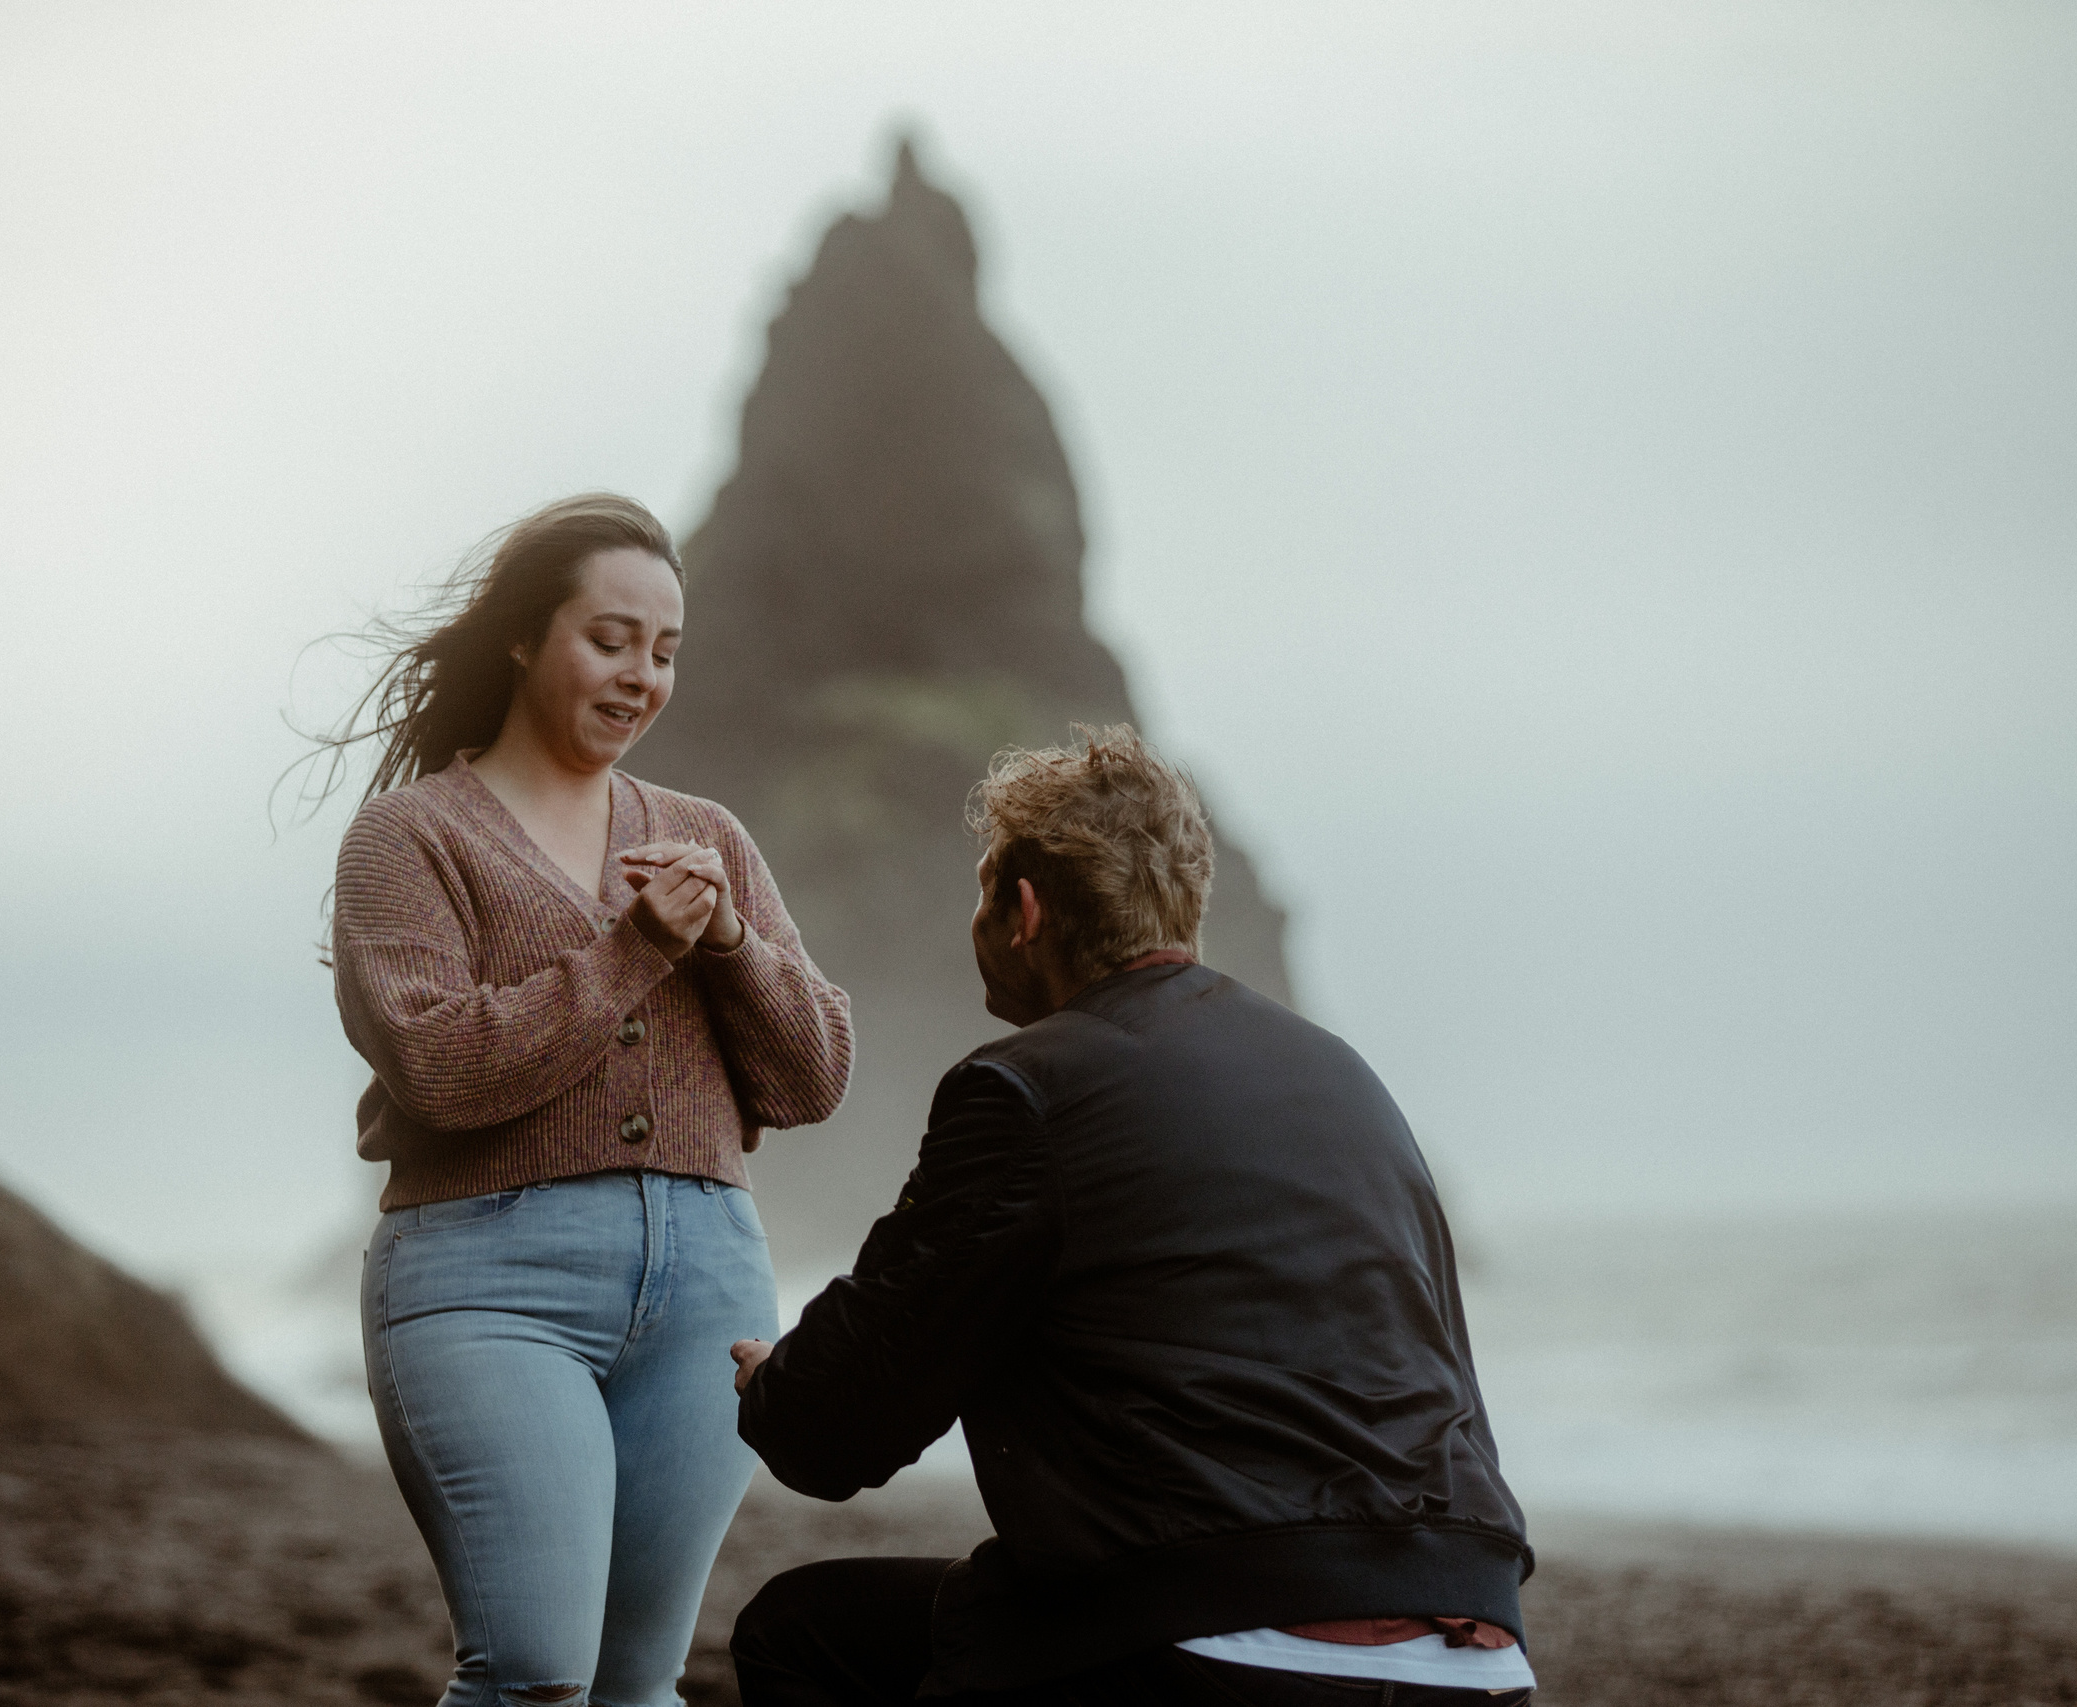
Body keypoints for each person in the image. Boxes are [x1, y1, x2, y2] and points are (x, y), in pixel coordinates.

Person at [725, 726, 1533, 1707]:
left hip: (1224, 1641)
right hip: (1475, 1642)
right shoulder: (1344, 1078)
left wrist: (776, 1387)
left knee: (798, 1634)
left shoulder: (1025, 1088)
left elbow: (838, 1429)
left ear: (1021, 910)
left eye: (982, 892)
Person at [322, 493, 854, 1707]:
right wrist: (631, 952)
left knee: (637, 1686)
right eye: (610, 640)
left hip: (709, 1289)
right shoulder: (407, 841)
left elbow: (813, 1075)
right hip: (485, 1278)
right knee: (536, 1674)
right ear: (524, 637)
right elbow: (440, 1066)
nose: (641, 676)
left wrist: (728, 941)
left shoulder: (705, 836)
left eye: (664, 652)